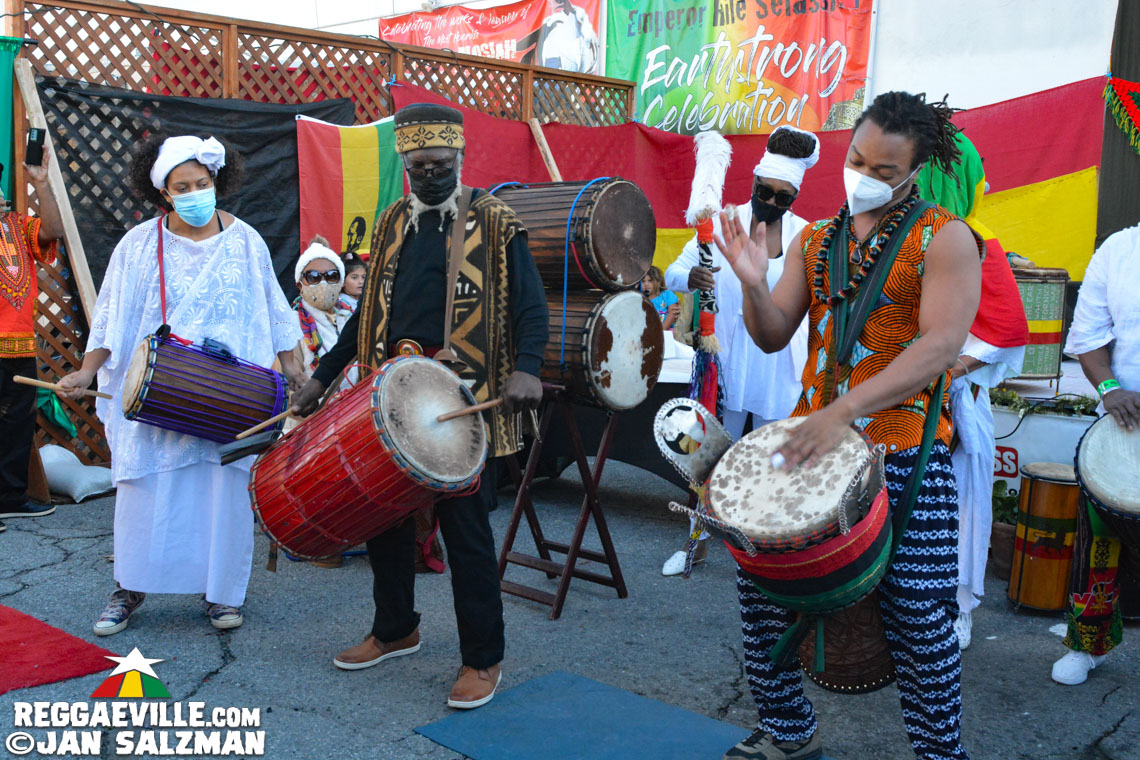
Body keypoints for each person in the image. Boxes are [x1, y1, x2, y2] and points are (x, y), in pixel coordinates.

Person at [714, 92, 982, 760]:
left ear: (914, 171)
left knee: (919, 615)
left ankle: (941, 753)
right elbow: (773, 334)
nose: (863, 175)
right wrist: (753, 284)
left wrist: (842, 411)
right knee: (761, 591)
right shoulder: (817, 240)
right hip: (814, 451)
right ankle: (788, 733)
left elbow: (941, 347)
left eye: (883, 170)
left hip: (905, 454)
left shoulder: (945, 237)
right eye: (857, 159)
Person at [290, 103, 548, 710]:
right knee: (384, 520)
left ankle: (482, 658)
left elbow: (531, 306)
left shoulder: (496, 219)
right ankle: (395, 629)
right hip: (391, 398)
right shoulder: (390, 223)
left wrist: (529, 367)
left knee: (466, 535)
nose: (430, 174)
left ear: (460, 156)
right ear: (404, 163)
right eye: (419, 165)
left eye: (441, 163)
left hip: (464, 402)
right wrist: (322, 378)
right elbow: (364, 319)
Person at [57, 134, 305, 635]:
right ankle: (129, 587)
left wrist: (297, 373)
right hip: (155, 395)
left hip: (227, 398)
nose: (194, 193)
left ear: (217, 180)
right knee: (144, 495)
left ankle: (221, 595)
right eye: (182, 187)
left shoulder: (246, 240)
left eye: (202, 183)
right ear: (163, 193)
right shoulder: (137, 245)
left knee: (221, 494)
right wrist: (85, 370)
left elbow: (275, 312)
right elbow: (110, 318)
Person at [661, 125, 816, 577]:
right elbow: (672, 272)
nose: (770, 202)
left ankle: (768, 553)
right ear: (752, 182)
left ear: (794, 198)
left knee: (776, 460)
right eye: (763, 191)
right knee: (710, 456)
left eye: (782, 197)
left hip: (779, 365)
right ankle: (697, 542)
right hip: (726, 361)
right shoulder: (721, 223)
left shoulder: (807, 236)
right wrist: (690, 278)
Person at [916, 132, 1028, 650]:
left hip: (956, 405)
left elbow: (1006, 330)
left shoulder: (979, 243)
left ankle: (959, 611)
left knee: (960, 512)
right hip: (897, 402)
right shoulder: (898, 238)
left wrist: (949, 370)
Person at [1050, 222, 1140, 685]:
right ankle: (1088, 644)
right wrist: (1110, 389)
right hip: (1122, 431)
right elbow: (1087, 335)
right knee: (1099, 545)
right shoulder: (1120, 249)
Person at [0, 149, 65, 533]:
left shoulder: (15, 226)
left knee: (16, 426)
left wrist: (40, 181)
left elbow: (53, 231)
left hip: (18, 347)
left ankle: (9, 499)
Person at [291, 236, 352, 379]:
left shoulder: (352, 315)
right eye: (314, 277)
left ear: (341, 281)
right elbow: (293, 380)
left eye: (332, 276)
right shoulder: (291, 323)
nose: (323, 283)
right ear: (300, 285)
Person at [538, 0, 599, 74]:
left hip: (570, 63)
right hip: (553, 60)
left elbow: (587, 35)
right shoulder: (551, 21)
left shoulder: (578, 15)